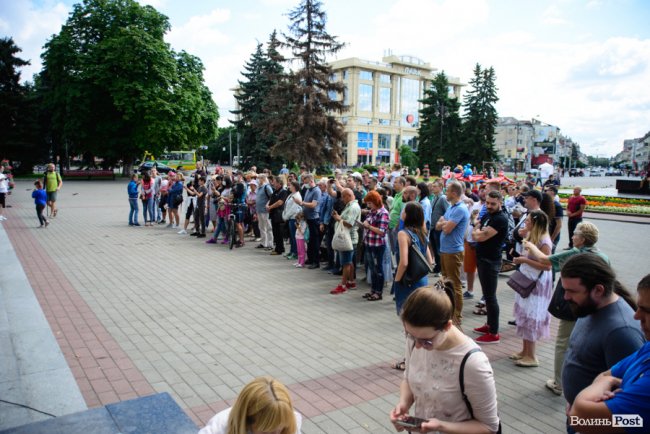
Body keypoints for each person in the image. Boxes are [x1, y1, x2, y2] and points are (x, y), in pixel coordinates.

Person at [389, 283, 500, 434]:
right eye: (410, 335)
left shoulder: (473, 363)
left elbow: (488, 427)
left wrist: (442, 426)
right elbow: (408, 379)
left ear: (447, 326)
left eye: (426, 341)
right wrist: (404, 404)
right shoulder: (416, 338)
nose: (418, 345)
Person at [560, 254, 644, 433]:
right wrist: (575, 403)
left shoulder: (622, 332)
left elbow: (634, 419)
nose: (565, 297)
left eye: (572, 291)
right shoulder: (588, 307)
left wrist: (583, 416)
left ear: (598, 290)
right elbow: (607, 376)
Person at [524, 222, 608, 396]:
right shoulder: (602, 256)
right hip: (596, 307)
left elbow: (544, 260)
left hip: (575, 306)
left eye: (575, 234)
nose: (572, 236)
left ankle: (558, 382)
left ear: (583, 239)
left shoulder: (575, 254)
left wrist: (531, 245)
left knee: (563, 342)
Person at [510, 210, 553, 367]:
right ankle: (525, 351)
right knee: (524, 314)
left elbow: (547, 266)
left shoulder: (544, 241)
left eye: (527, 221)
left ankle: (532, 356)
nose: (525, 223)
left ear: (535, 223)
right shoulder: (532, 237)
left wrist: (524, 261)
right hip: (528, 279)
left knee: (531, 316)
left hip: (537, 284)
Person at [199, 376, 302, 434]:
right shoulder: (218, 429)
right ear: (247, 420)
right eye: (266, 433)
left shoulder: (293, 421)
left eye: (279, 429)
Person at [471, 191, 509, 345]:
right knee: (487, 295)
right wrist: (477, 229)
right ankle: (489, 325)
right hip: (482, 258)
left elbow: (478, 236)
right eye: (487, 203)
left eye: (493, 203)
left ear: (500, 202)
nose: (489, 206)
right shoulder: (488, 216)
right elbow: (478, 229)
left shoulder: (500, 219)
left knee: (491, 297)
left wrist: (476, 230)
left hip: (491, 261)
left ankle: (494, 333)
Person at [435, 181, 470, 324]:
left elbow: (447, 229)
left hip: (453, 251)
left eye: (447, 191)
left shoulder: (460, 209)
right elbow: (438, 226)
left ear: (454, 193)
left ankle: (456, 317)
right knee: (446, 282)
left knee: (454, 284)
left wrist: (444, 222)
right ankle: (448, 311)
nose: (445, 193)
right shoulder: (451, 207)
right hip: (445, 250)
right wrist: (444, 223)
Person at [393, 202, 433, 314]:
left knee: (407, 315)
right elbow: (430, 261)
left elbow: (404, 262)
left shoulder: (403, 234)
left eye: (404, 210)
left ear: (408, 215)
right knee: (419, 315)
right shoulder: (422, 232)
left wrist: (397, 280)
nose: (402, 213)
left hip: (408, 280)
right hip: (421, 279)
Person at [330, 188, 361, 294]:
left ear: (348, 195)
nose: (342, 199)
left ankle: (343, 285)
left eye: (343, 196)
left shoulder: (353, 207)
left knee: (346, 263)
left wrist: (338, 218)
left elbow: (349, 223)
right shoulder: (351, 206)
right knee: (349, 261)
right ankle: (351, 282)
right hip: (349, 238)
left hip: (348, 239)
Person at [361, 190, 389, 301]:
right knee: (372, 269)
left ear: (376, 201)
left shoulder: (383, 213)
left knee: (378, 269)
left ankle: (378, 292)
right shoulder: (372, 211)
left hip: (377, 245)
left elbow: (382, 231)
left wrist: (368, 226)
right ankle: (373, 290)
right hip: (369, 243)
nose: (368, 206)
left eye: (370, 203)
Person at [296, 174, 321, 269]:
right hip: (307, 218)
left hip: (314, 218)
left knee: (315, 241)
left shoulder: (316, 191)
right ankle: (310, 259)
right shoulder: (308, 190)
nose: (304, 184)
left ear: (311, 181)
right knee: (309, 240)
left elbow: (313, 205)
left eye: (306, 182)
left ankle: (316, 261)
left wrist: (302, 203)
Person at [429, 180, 449, 276]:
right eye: (432, 186)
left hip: (439, 228)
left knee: (439, 248)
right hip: (433, 227)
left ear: (441, 187)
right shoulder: (434, 198)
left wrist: (442, 223)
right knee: (435, 248)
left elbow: (447, 212)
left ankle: (442, 269)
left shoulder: (443, 198)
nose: (433, 188)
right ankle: (437, 267)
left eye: (435, 186)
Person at [267, 176, 288, 256]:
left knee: (278, 233)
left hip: (279, 215)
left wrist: (270, 207)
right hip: (273, 214)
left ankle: (279, 249)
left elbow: (280, 202)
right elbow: (271, 200)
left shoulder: (283, 191)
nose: (273, 183)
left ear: (279, 183)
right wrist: (268, 206)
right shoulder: (275, 191)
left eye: (275, 182)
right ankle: (279, 247)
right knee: (275, 232)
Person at [283, 181, 303, 260]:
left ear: (294, 186)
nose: (289, 186)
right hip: (290, 218)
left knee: (295, 237)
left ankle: (295, 253)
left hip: (294, 218)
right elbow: (287, 206)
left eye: (290, 185)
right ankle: (292, 251)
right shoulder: (292, 195)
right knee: (291, 237)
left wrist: (286, 216)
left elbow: (293, 209)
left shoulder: (297, 195)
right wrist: (285, 215)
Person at [255, 174, 274, 250]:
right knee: (261, 227)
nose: (257, 180)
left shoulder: (267, 187)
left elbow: (272, 197)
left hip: (265, 211)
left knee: (268, 228)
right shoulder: (259, 188)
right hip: (259, 210)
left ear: (262, 179)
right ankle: (263, 243)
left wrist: (268, 204)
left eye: (258, 178)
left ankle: (270, 244)